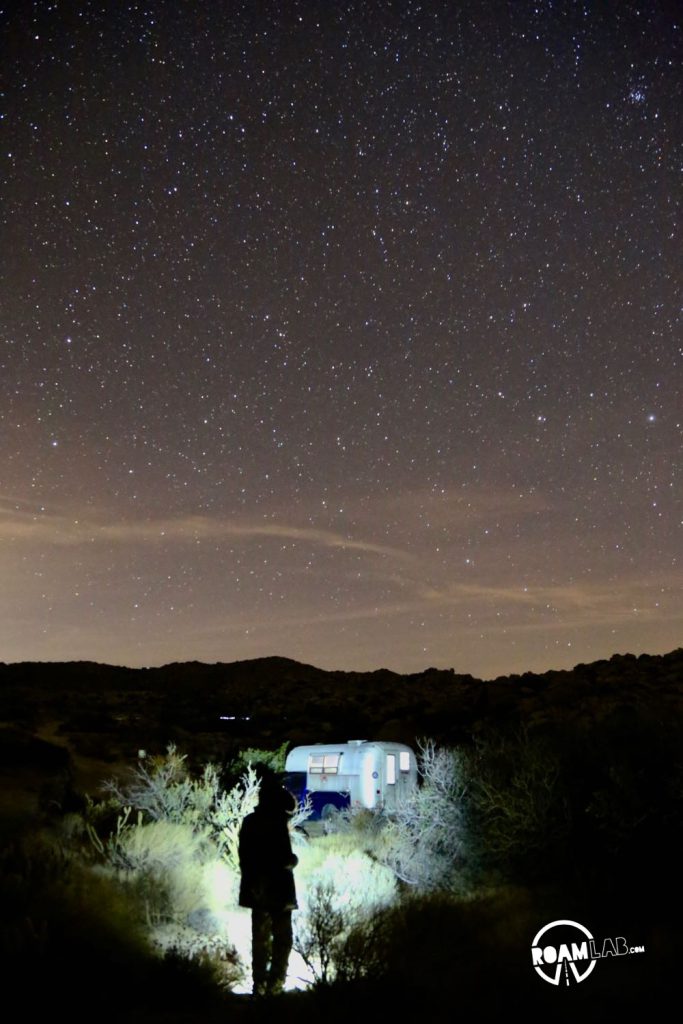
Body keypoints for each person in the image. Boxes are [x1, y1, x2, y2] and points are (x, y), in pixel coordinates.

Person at [238, 771, 298, 996]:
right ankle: (275, 982)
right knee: (282, 938)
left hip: (258, 889)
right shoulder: (276, 821)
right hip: (278, 889)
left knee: (261, 938)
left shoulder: (251, 822)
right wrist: (290, 861)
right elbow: (290, 805)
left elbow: (245, 856)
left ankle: (260, 983)